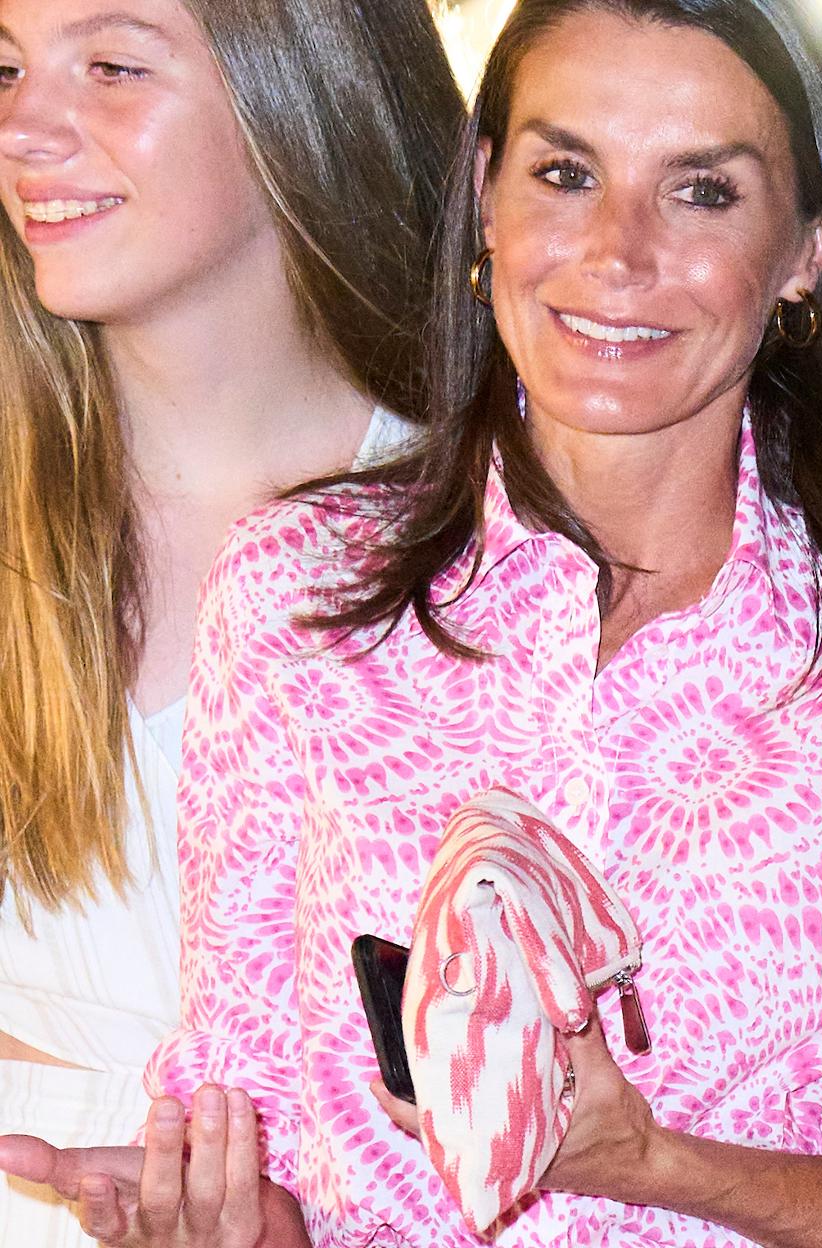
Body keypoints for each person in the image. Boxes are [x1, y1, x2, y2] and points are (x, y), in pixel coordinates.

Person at [0, 0, 822, 1244]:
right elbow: (246, 1105)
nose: (616, 254)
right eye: (565, 174)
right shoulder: (295, 600)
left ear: (807, 251)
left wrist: (653, 1163)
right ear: (484, 195)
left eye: (702, 195)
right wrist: (226, 1217)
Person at [0, 0, 461, 1242]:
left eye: (109, 65)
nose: (24, 128)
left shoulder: (486, 551)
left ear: (297, 97)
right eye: (3, 66)